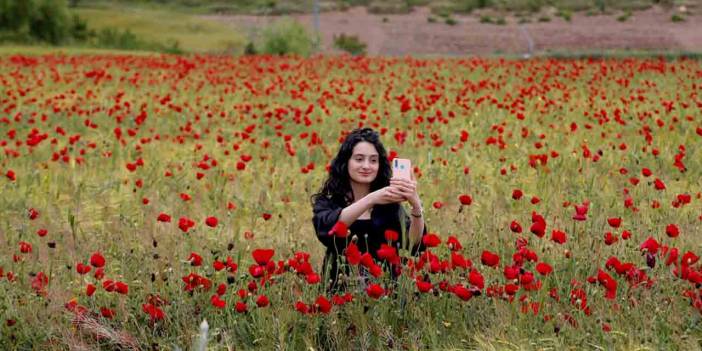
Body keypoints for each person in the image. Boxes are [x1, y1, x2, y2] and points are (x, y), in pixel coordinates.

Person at [310, 127, 427, 293]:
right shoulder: (329, 202)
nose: (366, 166)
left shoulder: (388, 204)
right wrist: (371, 199)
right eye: (359, 159)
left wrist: (416, 205)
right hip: (340, 288)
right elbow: (328, 229)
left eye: (373, 160)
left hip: (384, 291)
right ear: (346, 162)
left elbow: (414, 243)